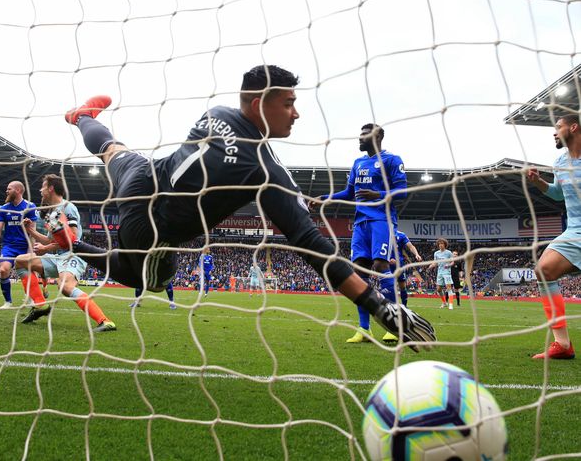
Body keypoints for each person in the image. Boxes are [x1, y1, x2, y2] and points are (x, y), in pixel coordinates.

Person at [56, 64, 435, 349]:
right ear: (259, 104)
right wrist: (380, 306)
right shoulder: (262, 167)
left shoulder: (216, 112)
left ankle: (83, 117)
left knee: (111, 150)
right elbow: (309, 242)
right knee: (147, 280)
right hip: (154, 227)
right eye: (289, 103)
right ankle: (72, 244)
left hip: (145, 177)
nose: (296, 113)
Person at [320, 123, 408, 344]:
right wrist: (325, 199)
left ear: (377, 137)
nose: (359, 139)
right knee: (359, 273)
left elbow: (402, 191)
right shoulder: (358, 163)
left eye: (364, 136)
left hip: (382, 220)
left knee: (380, 266)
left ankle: (395, 325)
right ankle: (364, 329)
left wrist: (377, 193)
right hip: (360, 223)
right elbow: (350, 193)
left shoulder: (392, 160)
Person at [16, 174, 115, 331]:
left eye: (43, 186)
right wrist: (31, 230)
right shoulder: (51, 212)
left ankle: (105, 321)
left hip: (72, 255)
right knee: (21, 261)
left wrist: (46, 249)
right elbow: (49, 241)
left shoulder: (67, 207)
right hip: (57, 256)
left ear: (51, 188)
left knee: (65, 287)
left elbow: (73, 239)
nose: (40, 190)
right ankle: (40, 305)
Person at [525, 113, 580, 360]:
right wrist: (538, 182)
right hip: (575, 230)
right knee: (543, 270)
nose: (554, 132)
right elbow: (559, 194)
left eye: (558, 127)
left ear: (574, 127)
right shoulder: (559, 160)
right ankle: (563, 344)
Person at [0, 181, 38, 308]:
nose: (6, 191)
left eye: (9, 189)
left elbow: (33, 231)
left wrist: (30, 250)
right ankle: (8, 301)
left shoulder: (29, 206)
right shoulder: (4, 208)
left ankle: (32, 298)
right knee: (3, 270)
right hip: (9, 246)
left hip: (24, 246)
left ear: (18, 191)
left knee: (28, 273)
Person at [390, 229, 422, 307]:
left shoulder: (401, 235)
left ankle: (404, 306)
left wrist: (416, 254)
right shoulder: (382, 233)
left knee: (402, 286)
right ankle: (390, 306)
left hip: (399, 264)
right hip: (386, 264)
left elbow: (410, 246)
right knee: (389, 285)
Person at [428, 238, 454, 310]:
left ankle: (451, 304)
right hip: (440, 272)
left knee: (448, 287)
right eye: (439, 244)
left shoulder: (448, 253)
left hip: (447, 272)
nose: (440, 245)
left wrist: (448, 265)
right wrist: (431, 266)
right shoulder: (436, 253)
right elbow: (435, 263)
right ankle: (444, 303)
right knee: (439, 289)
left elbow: (452, 262)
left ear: (445, 244)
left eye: (442, 243)